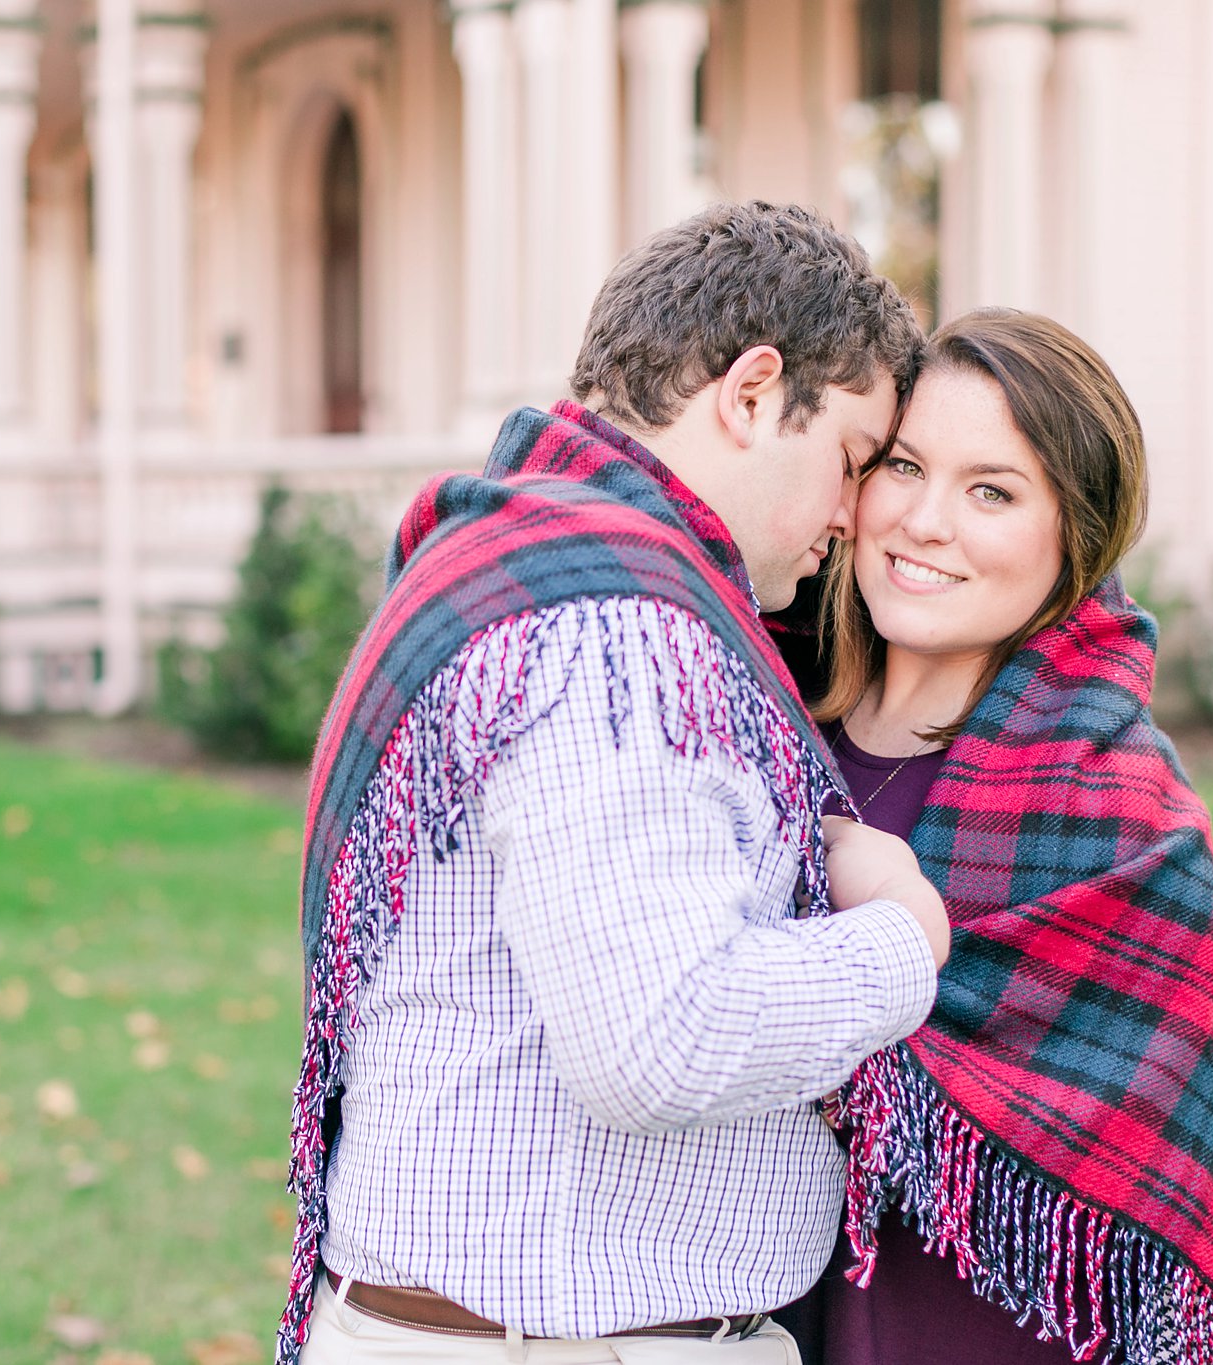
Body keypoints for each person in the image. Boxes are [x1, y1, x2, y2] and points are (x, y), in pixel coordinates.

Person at [279, 201, 953, 1365]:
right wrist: (904, 936)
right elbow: (663, 1040)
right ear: (749, 394)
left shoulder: (521, 557)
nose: (853, 518)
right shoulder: (613, 621)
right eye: (849, 459)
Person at [772, 309, 1213, 1365]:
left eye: (990, 491)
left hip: (995, 1325)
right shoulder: (758, 725)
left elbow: (1142, 1144)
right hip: (734, 1313)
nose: (923, 521)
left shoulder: (1121, 808)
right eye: (902, 466)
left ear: (1070, 540)